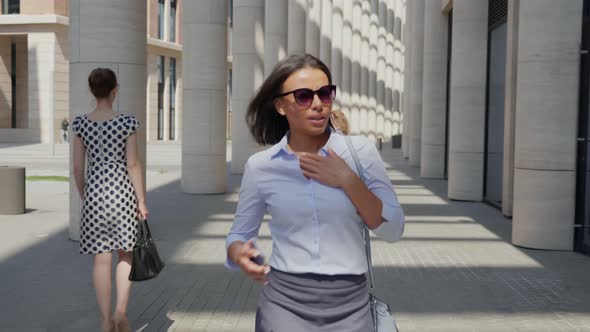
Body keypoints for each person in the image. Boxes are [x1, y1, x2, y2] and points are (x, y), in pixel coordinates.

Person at [225, 54, 405, 331]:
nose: (319, 105)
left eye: (325, 93)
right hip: (284, 304)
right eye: (304, 96)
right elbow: (240, 234)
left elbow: (392, 230)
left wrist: (347, 179)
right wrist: (238, 253)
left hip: (352, 306)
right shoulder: (261, 167)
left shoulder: (360, 152)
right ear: (280, 106)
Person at [72, 68, 148, 332]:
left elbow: (77, 170)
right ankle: (120, 313)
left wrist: (87, 196)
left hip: (95, 197)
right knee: (125, 255)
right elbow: (133, 164)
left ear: (92, 91)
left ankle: (104, 321)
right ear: (115, 90)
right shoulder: (127, 122)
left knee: (101, 260)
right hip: (123, 196)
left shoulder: (80, 123)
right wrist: (141, 201)